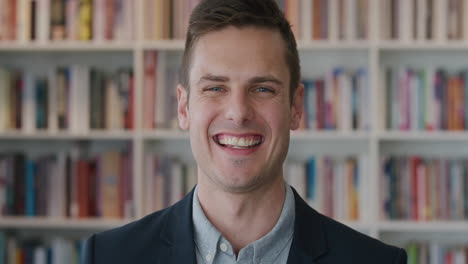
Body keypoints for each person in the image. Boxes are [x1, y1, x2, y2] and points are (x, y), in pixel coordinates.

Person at [83, 0, 407, 263]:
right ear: (183, 108)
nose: (238, 113)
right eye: (215, 88)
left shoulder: (376, 261)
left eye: (263, 89)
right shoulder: (109, 256)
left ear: (296, 107)